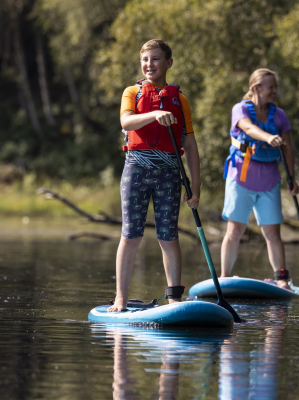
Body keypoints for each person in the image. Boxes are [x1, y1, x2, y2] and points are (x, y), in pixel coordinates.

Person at [108, 39, 200, 312]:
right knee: (131, 235)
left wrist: (197, 184)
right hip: (136, 169)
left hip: (169, 174)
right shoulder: (132, 92)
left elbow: (191, 144)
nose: (150, 64)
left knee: (168, 236)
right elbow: (126, 122)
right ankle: (120, 299)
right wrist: (155, 114)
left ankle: (174, 300)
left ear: (168, 63)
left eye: (156, 59)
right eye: (146, 59)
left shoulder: (180, 100)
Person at [220, 68, 299, 290]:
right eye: (271, 87)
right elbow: (247, 127)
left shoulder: (280, 115)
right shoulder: (239, 109)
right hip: (241, 177)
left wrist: (291, 179)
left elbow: (289, 150)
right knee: (235, 230)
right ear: (256, 88)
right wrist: (268, 137)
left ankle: (281, 278)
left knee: (273, 233)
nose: (275, 91)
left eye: (275, 86)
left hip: (269, 179)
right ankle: (224, 278)